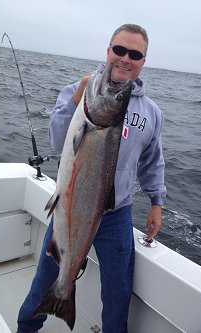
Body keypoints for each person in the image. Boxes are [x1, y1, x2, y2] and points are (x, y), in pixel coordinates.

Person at [16, 23, 166, 333]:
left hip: (117, 214)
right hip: (69, 207)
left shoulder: (152, 112)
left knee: (118, 291)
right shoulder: (79, 91)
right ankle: (26, 327)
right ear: (108, 51)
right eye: (119, 50)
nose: (125, 58)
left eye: (135, 54)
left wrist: (156, 201)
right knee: (46, 276)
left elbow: (153, 160)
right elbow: (57, 141)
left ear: (143, 60)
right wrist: (76, 101)